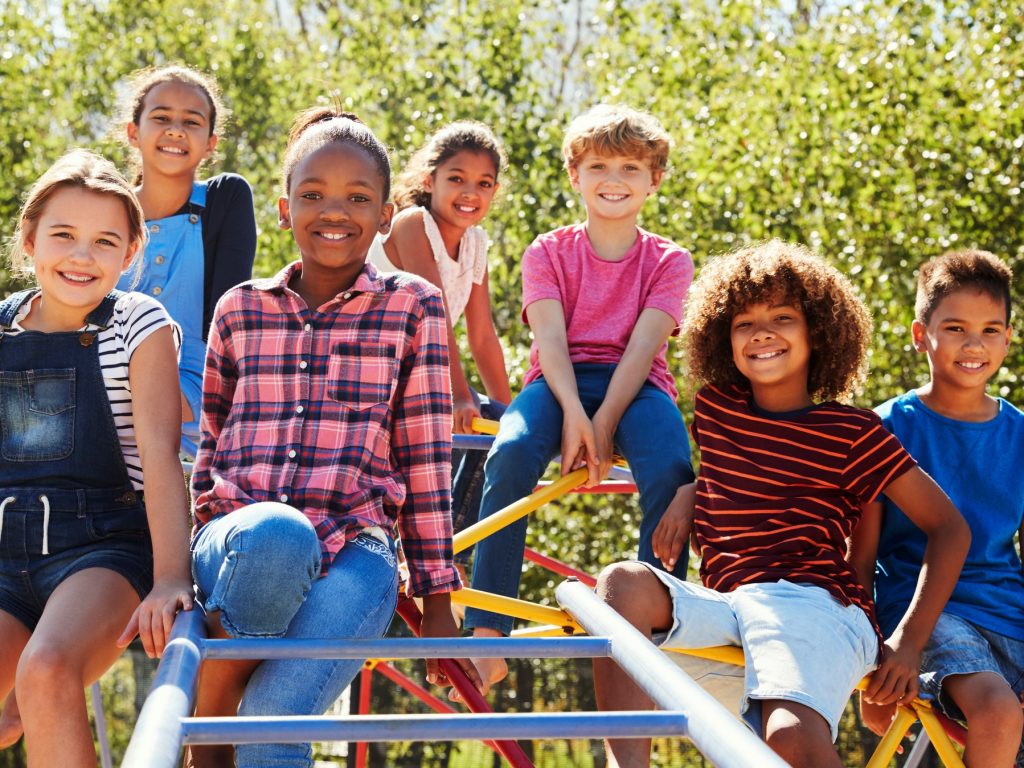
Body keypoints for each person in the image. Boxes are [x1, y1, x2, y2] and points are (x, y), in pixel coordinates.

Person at [593, 241, 969, 768]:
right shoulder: (716, 409)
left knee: (789, 741)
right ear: (723, 338)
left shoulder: (852, 431)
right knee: (620, 584)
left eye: (783, 317)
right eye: (744, 322)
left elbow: (950, 528)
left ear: (818, 331)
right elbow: (749, 473)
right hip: (728, 606)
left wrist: (907, 643)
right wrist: (690, 491)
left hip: (813, 604)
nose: (762, 332)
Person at [187, 108, 481, 768]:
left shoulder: (413, 307)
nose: (333, 211)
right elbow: (209, 445)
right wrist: (179, 569)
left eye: (357, 197)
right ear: (286, 206)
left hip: (355, 548)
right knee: (277, 536)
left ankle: (213, 711)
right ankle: (211, 711)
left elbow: (426, 456)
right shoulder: (240, 309)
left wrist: (438, 598)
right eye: (313, 193)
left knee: (271, 721)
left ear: (384, 217)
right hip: (240, 540)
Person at [463, 104, 696, 692]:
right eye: (598, 165)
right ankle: (488, 626)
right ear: (575, 175)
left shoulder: (669, 260)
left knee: (671, 464)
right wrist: (573, 415)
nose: (613, 179)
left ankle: (656, 619)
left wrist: (603, 422)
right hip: (557, 384)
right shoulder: (548, 251)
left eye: (630, 167)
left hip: (636, 388)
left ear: (654, 180)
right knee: (511, 452)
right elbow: (550, 342)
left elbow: (643, 350)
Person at [0, 150, 193, 765]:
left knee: (47, 671)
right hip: (6, 551)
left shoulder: (139, 326)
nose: (82, 256)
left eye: (105, 241)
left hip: (102, 546)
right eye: (63, 235)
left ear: (130, 253)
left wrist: (170, 578)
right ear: (30, 240)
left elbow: (161, 458)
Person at [852, 249, 1024, 767]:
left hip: (1009, 613)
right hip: (923, 617)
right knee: (997, 712)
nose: (974, 345)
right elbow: (859, 559)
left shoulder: (1019, 435)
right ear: (919, 333)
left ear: (1009, 340)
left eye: (991, 330)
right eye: (955, 328)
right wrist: (869, 667)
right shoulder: (885, 429)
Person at [368, 121, 511, 562]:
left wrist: (513, 416)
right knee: (461, 415)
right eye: (457, 179)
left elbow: (483, 336)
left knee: (497, 426)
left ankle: (453, 550)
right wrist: (460, 395)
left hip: (424, 376)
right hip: (378, 369)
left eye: (483, 184)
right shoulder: (413, 225)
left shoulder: (475, 243)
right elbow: (433, 321)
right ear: (430, 181)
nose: (470, 192)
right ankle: (422, 548)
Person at [118, 65, 256, 457]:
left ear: (211, 143)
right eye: (161, 117)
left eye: (191, 122)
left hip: (192, 393)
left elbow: (226, 318)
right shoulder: (106, 207)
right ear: (133, 132)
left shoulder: (224, 199)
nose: (176, 130)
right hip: (100, 379)